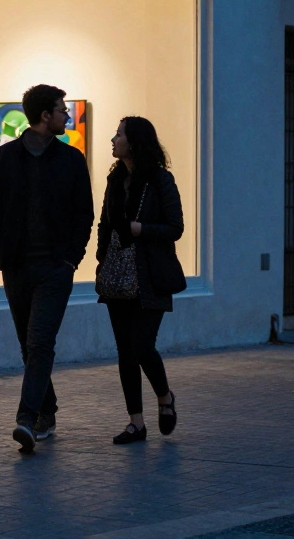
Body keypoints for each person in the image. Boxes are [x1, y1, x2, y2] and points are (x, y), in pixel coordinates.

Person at [0, 84, 94, 453]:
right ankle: (49, 410)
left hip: (55, 270)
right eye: (61, 110)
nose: (67, 115)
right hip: (15, 267)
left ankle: (26, 420)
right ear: (45, 116)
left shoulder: (71, 160)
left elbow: (84, 214)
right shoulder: (6, 158)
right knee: (30, 346)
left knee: (41, 342)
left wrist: (72, 258)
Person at [95, 116, 186, 445]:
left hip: (150, 275)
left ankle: (165, 397)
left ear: (134, 142)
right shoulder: (115, 180)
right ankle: (136, 423)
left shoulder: (161, 181)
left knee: (142, 346)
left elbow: (175, 228)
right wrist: (101, 258)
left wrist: (142, 230)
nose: (112, 139)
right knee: (124, 351)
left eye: (118, 135)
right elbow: (104, 224)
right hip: (118, 276)